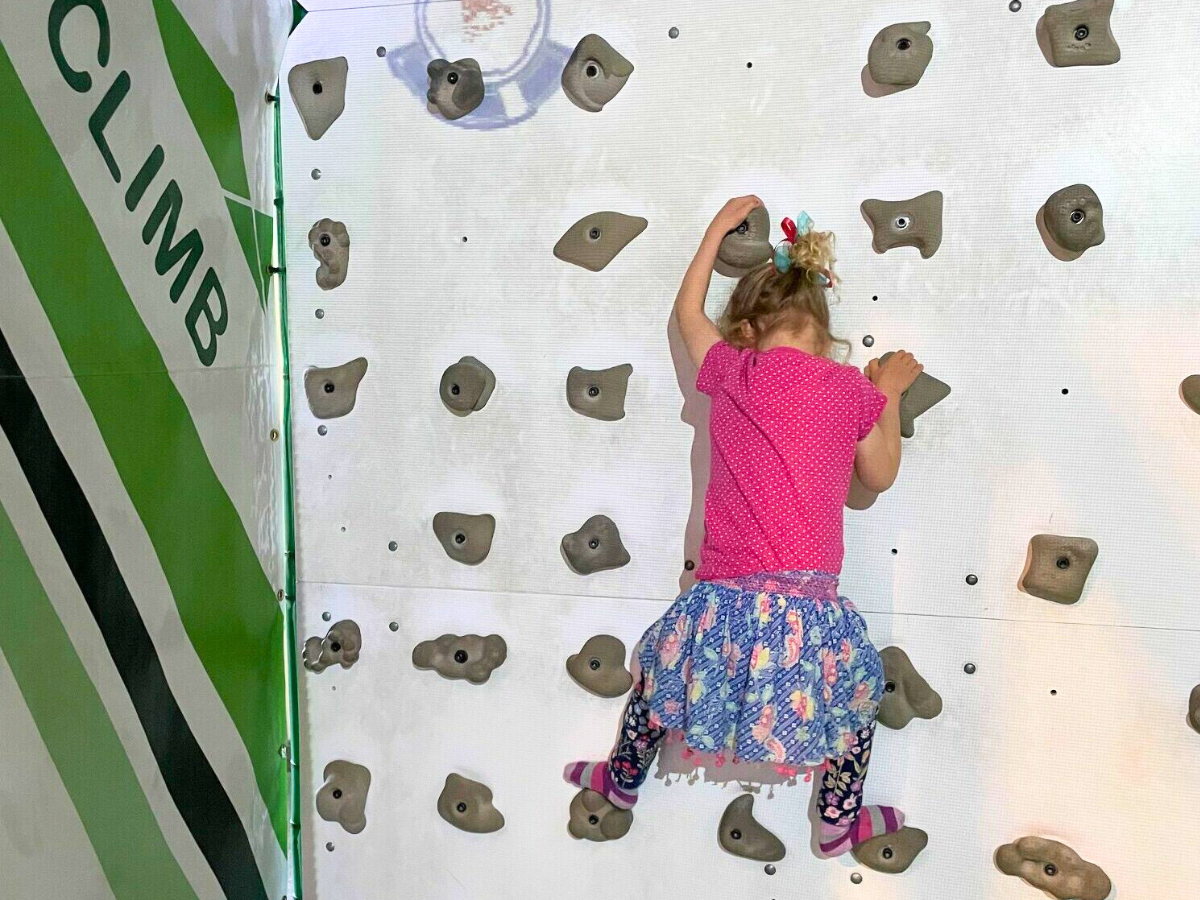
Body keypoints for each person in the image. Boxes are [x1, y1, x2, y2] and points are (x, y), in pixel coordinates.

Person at [564, 196, 924, 857]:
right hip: (807, 605)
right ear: (824, 332)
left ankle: (620, 781)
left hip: (725, 596)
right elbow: (878, 476)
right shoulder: (849, 389)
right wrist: (890, 393)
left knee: (657, 679)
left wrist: (713, 232)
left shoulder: (736, 370)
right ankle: (837, 824)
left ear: (749, 330)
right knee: (855, 703)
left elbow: (686, 315)